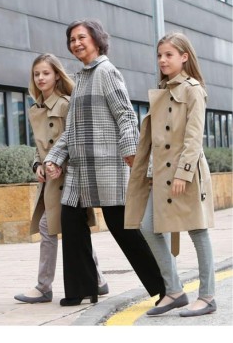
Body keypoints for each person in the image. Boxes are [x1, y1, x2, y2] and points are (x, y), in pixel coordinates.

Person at [44, 19, 165, 306]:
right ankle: (82, 288)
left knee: (123, 228)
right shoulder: (82, 77)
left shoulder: (107, 72)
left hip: (107, 166)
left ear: (97, 40)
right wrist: (54, 158)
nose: (76, 43)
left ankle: (165, 286)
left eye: (81, 37)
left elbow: (125, 115)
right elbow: (71, 129)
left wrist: (130, 152)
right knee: (71, 221)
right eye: (72, 39)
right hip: (80, 170)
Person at [125, 32, 216, 317]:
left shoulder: (193, 90)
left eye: (169, 55)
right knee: (147, 226)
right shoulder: (162, 91)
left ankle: (208, 296)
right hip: (161, 177)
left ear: (184, 57)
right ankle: (174, 290)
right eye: (160, 55)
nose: (163, 60)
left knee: (197, 230)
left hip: (185, 174)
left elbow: (193, 138)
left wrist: (183, 173)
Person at [14, 53, 108, 304]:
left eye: (46, 73)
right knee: (68, 229)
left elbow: (74, 139)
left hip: (67, 177)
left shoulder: (67, 104)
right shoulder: (36, 110)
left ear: (57, 75)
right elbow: (39, 146)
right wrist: (37, 164)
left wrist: (58, 163)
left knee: (50, 227)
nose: (41, 78)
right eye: (37, 74)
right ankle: (97, 279)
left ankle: (44, 286)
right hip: (49, 180)